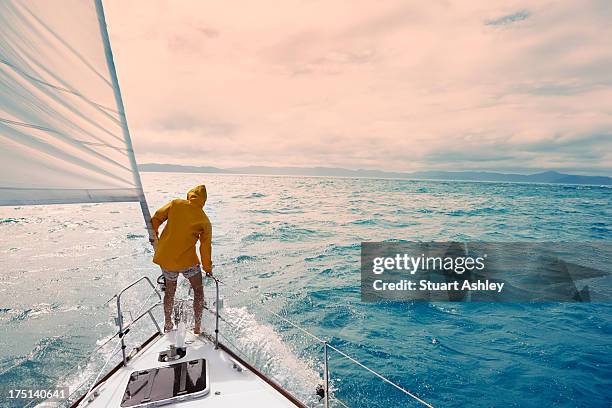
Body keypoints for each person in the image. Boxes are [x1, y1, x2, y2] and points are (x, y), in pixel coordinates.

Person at [151, 185, 213, 334]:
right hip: (188, 262)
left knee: (170, 291)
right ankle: (197, 327)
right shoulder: (204, 221)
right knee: (198, 291)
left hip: (167, 259)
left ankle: (168, 323)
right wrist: (207, 269)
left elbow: (156, 218)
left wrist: (155, 234)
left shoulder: (176, 204)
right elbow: (205, 249)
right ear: (203, 201)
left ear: (189, 196)